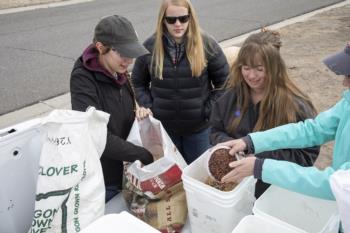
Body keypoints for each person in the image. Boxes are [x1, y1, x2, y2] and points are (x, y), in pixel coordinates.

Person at [220, 43, 350, 201]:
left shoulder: (294, 103)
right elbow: (313, 130)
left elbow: (335, 184)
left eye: (349, 76)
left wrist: (261, 167)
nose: (344, 83)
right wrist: (251, 141)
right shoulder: (347, 103)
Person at [210, 32, 319, 198]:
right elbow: (215, 131)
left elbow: (306, 155)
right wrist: (230, 147)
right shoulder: (230, 96)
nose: (251, 76)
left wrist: (261, 160)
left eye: (259, 69)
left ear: (274, 68)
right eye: (246, 68)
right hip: (238, 189)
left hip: (276, 192)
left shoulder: (295, 106)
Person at [131, 0, 229, 164]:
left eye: (183, 18)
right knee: (174, 179)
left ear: (190, 18)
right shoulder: (150, 47)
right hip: (165, 130)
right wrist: (150, 106)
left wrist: (207, 111)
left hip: (199, 130)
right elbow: (138, 81)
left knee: (199, 176)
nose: (178, 24)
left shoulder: (207, 45)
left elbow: (225, 83)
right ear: (163, 20)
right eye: (171, 20)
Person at [70, 15, 154, 202]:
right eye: (123, 54)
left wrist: (139, 114)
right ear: (101, 47)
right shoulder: (83, 80)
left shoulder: (119, 70)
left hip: (126, 168)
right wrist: (142, 154)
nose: (129, 61)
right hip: (104, 177)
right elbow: (97, 135)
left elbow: (123, 107)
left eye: (131, 53)